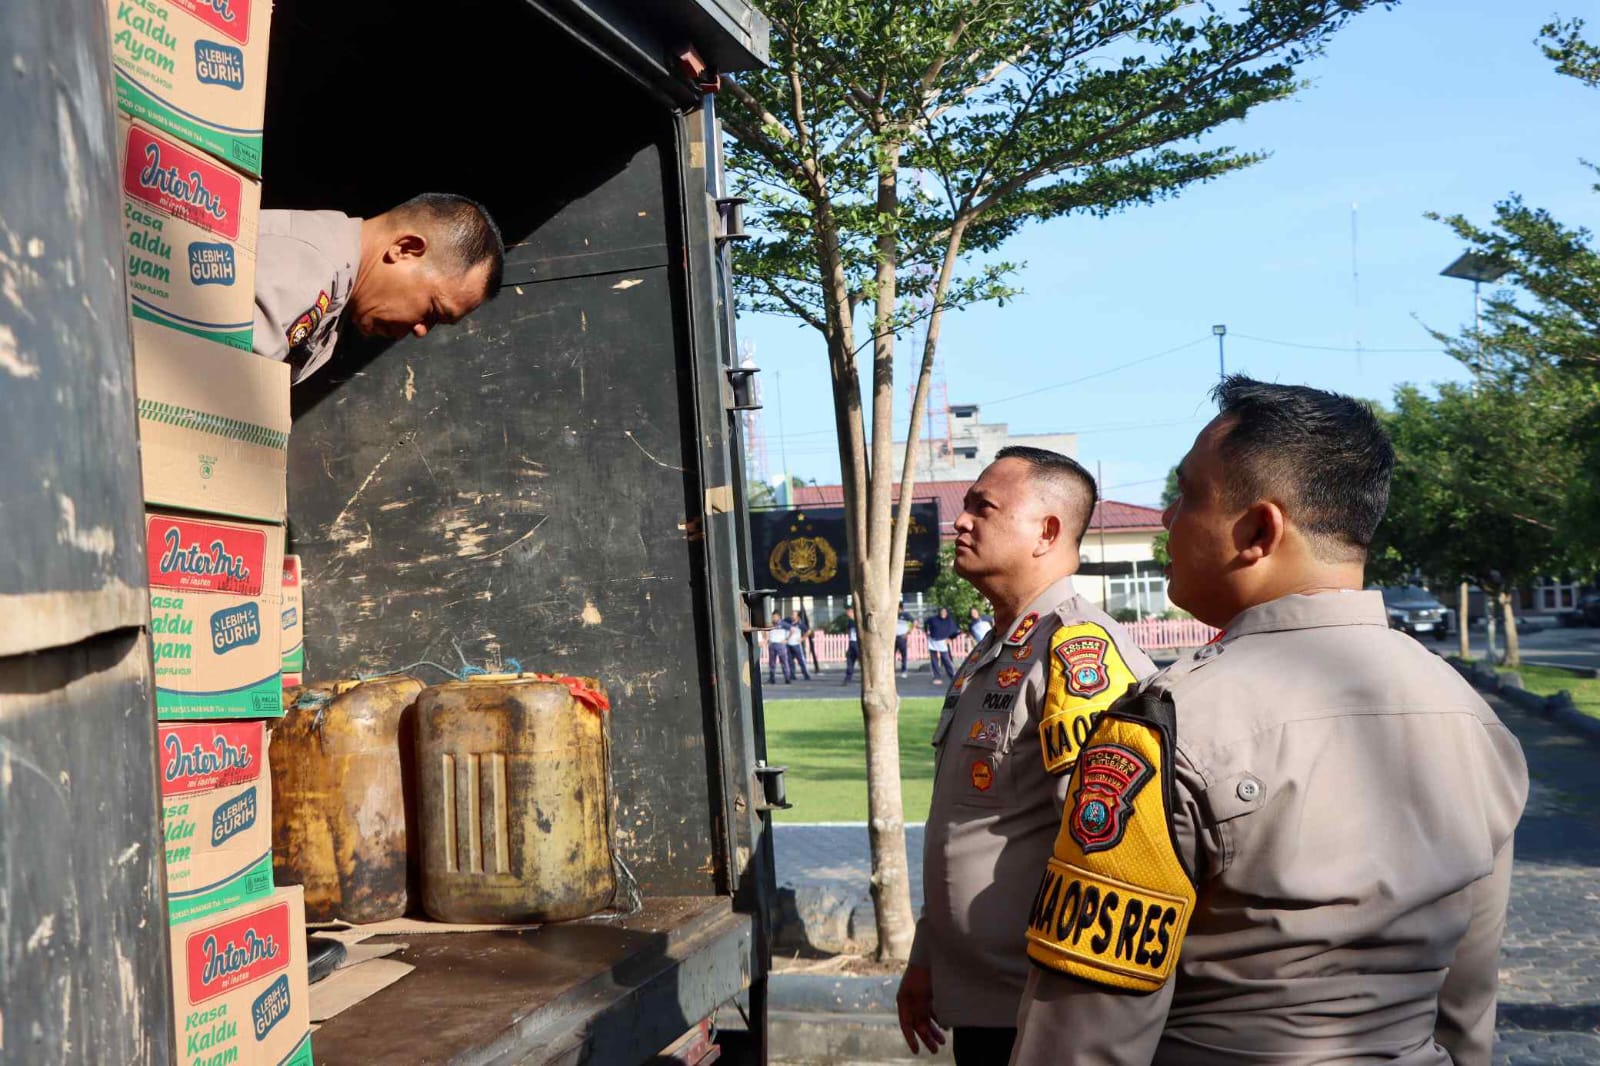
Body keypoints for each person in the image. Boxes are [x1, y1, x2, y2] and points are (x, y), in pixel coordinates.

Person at [1011, 377, 1528, 1066]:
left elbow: (1083, 1035)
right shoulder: (1473, 718)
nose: (1167, 518)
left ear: (1258, 530)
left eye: (1188, 494)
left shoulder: (1165, 728)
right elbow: (1467, 1004)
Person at [896, 447, 1155, 1065]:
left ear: (1047, 531)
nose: (960, 521)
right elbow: (968, 823)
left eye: (983, 508)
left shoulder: (1078, 652)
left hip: (1042, 1015)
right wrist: (928, 956)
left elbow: (1109, 853)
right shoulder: (1000, 647)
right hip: (982, 1002)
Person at [253, 193, 505, 385]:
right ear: (405, 249)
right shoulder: (308, 264)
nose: (421, 330)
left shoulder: (336, 291)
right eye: (434, 310)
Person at [925, 606, 960, 685]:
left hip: (943, 642)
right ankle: (936, 677)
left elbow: (957, 631)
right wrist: (926, 632)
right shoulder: (933, 619)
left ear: (947, 613)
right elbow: (926, 623)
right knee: (934, 660)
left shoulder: (950, 621)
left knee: (946, 659)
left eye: (944, 612)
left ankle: (953, 676)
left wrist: (950, 639)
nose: (943, 613)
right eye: (941, 612)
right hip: (933, 641)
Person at [766, 612, 792, 685]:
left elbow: (792, 630)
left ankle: (787, 678)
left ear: (778, 617)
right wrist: (767, 639)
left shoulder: (783, 624)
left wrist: (787, 639)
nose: (773, 618)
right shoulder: (770, 624)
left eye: (775, 617)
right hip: (772, 644)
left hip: (780, 645)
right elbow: (766, 631)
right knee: (772, 663)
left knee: (784, 662)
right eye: (772, 617)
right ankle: (772, 679)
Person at [785, 610, 811, 681]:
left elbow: (808, 631)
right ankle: (792, 675)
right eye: (792, 614)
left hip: (796, 644)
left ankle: (806, 675)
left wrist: (802, 638)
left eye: (794, 615)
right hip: (788, 644)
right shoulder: (787, 621)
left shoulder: (800, 624)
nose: (792, 616)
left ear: (797, 616)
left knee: (801, 660)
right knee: (790, 661)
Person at [841, 606, 861, 685]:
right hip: (852, 642)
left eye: (849, 611)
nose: (847, 613)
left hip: (857, 643)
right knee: (850, 660)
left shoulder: (858, 621)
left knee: (862, 662)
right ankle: (847, 678)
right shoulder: (850, 621)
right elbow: (848, 631)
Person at [895, 605, 914, 677]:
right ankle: (891, 671)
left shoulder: (906, 615)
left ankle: (904, 671)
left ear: (900, 608)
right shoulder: (893, 614)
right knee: (891, 655)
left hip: (902, 637)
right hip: (894, 637)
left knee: (903, 655)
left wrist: (907, 633)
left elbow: (912, 623)